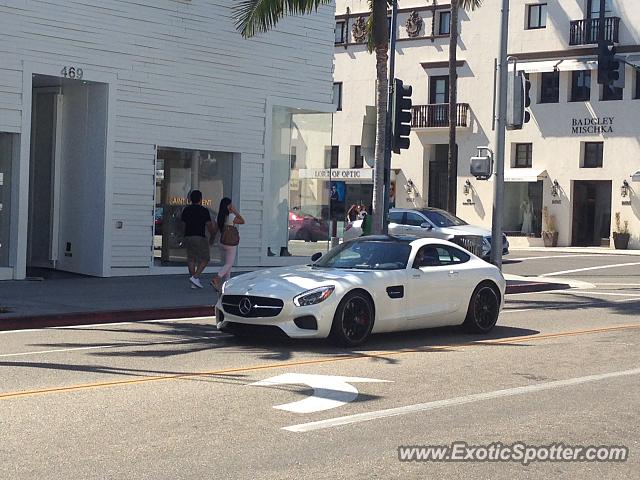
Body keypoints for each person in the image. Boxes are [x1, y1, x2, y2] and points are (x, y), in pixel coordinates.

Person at [180, 190, 217, 289]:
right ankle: (195, 277)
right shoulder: (204, 211)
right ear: (201, 199)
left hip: (188, 236)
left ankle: (194, 282)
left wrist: (184, 235)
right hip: (199, 236)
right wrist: (213, 235)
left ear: (190, 199)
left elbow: (183, 224)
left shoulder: (186, 210)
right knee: (205, 258)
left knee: (191, 258)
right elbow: (209, 225)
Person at [211, 197, 245, 292]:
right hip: (230, 243)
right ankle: (217, 279)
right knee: (229, 264)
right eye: (231, 204)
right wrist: (235, 211)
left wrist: (212, 239)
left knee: (227, 264)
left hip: (221, 242)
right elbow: (242, 221)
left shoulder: (219, 217)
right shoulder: (231, 216)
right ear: (228, 206)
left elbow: (215, 230)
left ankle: (227, 284)